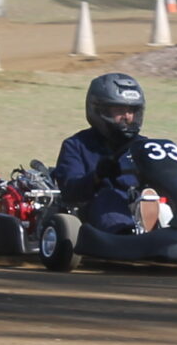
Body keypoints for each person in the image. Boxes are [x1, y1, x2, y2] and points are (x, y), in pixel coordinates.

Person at [52, 72, 153, 233]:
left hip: (141, 204)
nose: (127, 116)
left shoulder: (145, 145)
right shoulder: (76, 145)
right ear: (99, 110)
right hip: (99, 211)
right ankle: (126, 234)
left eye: (132, 110)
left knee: (165, 198)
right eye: (120, 109)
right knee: (110, 196)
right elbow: (70, 191)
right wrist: (97, 176)